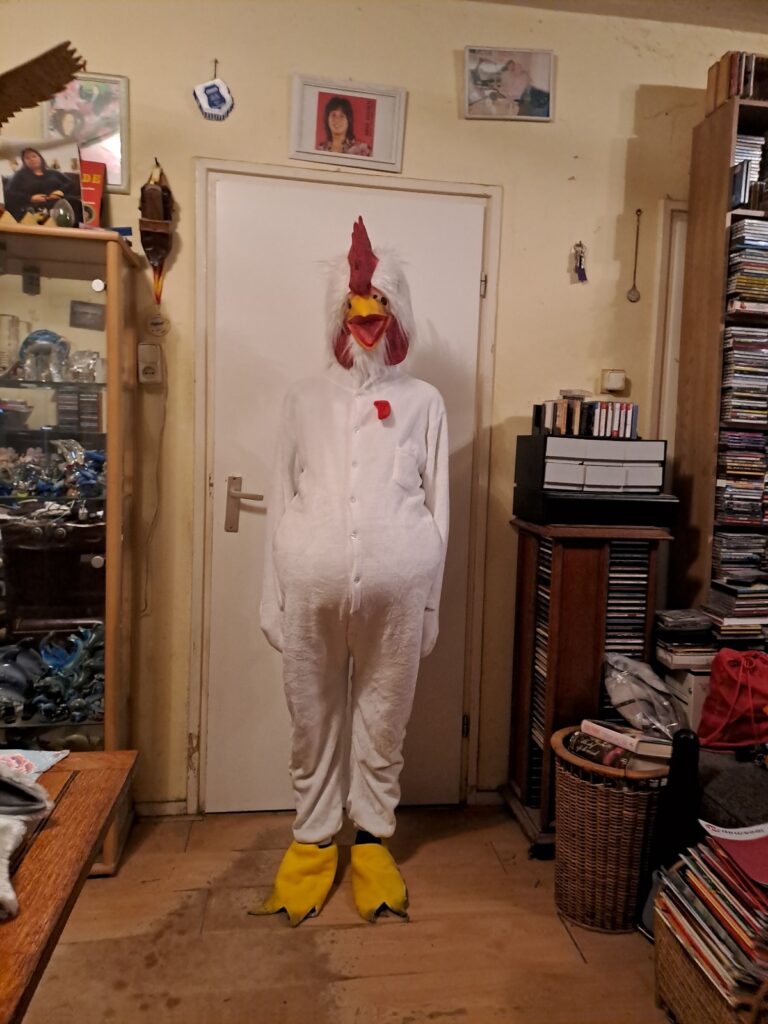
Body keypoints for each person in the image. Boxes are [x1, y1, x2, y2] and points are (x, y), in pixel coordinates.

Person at [254, 217, 449, 927]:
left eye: (380, 304)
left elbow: (440, 510)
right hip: (310, 589)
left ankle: (370, 843)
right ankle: (311, 843)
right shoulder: (302, 399)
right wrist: (272, 598)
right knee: (312, 717)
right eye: (355, 305)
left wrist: (429, 606)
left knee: (384, 720)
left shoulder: (424, 402)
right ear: (338, 314)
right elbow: (280, 497)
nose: (367, 316)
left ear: (397, 314)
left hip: (397, 598)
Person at [3, 148, 77, 221]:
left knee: (76, 203)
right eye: (27, 158)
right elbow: (8, 193)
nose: (31, 159)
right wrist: (30, 198)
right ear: (24, 162)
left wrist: (59, 192)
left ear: (40, 158)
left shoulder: (53, 172)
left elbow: (70, 183)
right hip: (34, 208)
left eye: (34, 156)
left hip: (59, 203)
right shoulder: (19, 175)